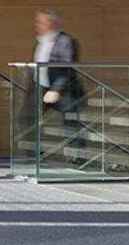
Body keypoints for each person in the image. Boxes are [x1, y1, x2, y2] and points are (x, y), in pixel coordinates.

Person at [16, 9, 87, 167]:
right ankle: (34, 156)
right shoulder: (41, 41)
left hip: (62, 90)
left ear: (54, 22)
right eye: (38, 21)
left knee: (70, 123)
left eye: (43, 21)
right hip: (40, 88)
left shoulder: (66, 41)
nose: (39, 24)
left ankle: (79, 159)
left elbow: (67, 67)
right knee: (25, 117)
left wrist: (55, 89)